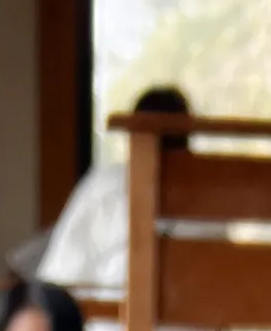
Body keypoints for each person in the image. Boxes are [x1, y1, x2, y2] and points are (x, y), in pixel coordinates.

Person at [35, 83, 192, 301]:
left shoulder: (104, 186)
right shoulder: (216, 197)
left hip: (111, 329)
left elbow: (58, 280)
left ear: (132, 136)